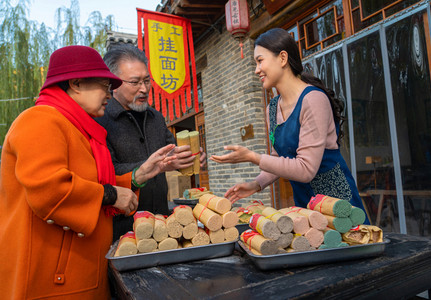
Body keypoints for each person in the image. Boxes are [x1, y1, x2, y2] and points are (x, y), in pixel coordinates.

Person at [0, 45, 175, 299]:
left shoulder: (80, 129)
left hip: (79, 275)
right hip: (50, 281)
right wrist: (113, 195)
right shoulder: (40, 120)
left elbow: (90, 181)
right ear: (76, 84)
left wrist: (138, 175)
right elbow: (51, 189)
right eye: (104, 85)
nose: (109, 93)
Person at [211, 28, 367, 213]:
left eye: (260, 61)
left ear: (283, 58)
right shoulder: (272, 108)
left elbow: (305, 169)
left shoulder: (313, 99)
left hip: (338, 206)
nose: (256, 70)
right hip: (307, 206)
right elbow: (280, 158)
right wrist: (256, 184)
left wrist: (253, 157)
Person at [97, 44, 206, 241]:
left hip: (162, 222)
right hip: (122, 227)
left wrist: (187, 158)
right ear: (113, 83)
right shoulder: (101, 120)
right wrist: (148, 167)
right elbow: (104, 171)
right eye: (135, 82)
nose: (144, 89)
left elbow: (172, 153)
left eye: (147, 81)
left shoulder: (155, 116)